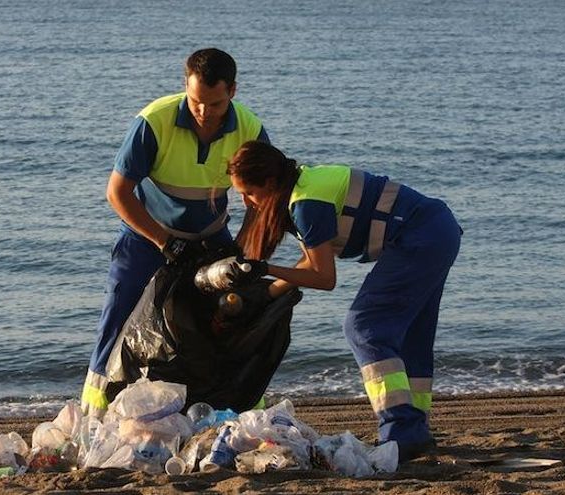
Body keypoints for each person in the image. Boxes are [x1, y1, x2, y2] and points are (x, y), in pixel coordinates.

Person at [222, 141, 461, 462]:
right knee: (409, 337)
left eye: (248, 192)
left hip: (420, 235)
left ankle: (402, 431)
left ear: (269, 183)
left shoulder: (306, 203)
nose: (245, 202)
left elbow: (324, 277)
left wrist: (264, 269)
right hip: (437, 229)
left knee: (364, 328)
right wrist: (268, 291)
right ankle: (413, 432)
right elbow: (310, 264)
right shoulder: (302, 186)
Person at [81, 48, 270, 416]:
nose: (203, 112)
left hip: (212, 238)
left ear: (232, 91)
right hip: (148, 235)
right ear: (185, 85)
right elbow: (117, 193)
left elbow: (263, 199)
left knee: (230, 319)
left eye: (214, 104)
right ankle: (94, 407)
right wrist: (165, 241)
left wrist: (241, 250)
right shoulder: (154, 121)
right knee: (119, 314)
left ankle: (247, 406)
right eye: (196, 101)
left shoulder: (250, 129)